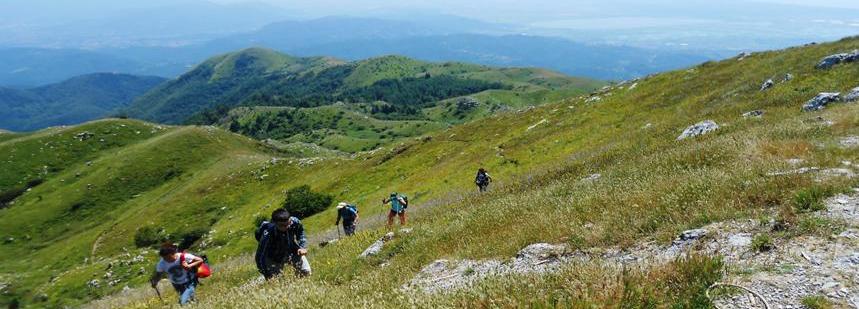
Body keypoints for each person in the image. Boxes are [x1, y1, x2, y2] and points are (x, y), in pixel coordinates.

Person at [255, 209, 311, 279]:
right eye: (282, 225)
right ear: (274, 223)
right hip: (273, 258)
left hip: (292, 251)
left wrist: (302, 247)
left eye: (288, 223)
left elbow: (301, 232)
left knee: (306, 272)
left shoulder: (294, 221)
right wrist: (265, 273)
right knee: (276, 281)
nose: (286, 227)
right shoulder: (268, 233)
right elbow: (260, 256)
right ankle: (260, 280)